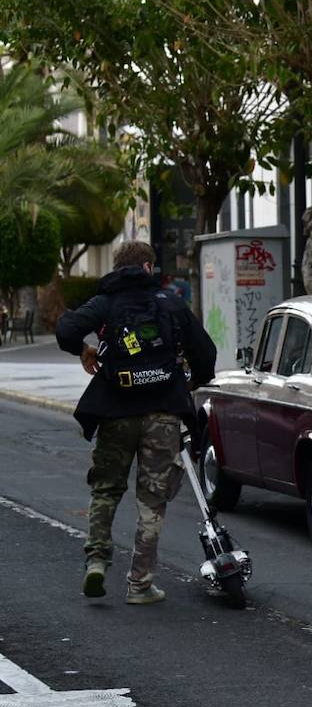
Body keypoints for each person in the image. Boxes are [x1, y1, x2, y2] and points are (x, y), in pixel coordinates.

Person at [55, 240, 217, 605]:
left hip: (115, 411)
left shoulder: (106, 304)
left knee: (107, 489)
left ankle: (96, 562)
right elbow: (205, 353)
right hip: (162, 413)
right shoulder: (171, 304)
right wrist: (189, 383)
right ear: (148, 268)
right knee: (152, 498)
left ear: (117, 268)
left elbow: (66, 329)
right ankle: (140, 584)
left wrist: (84, 350)